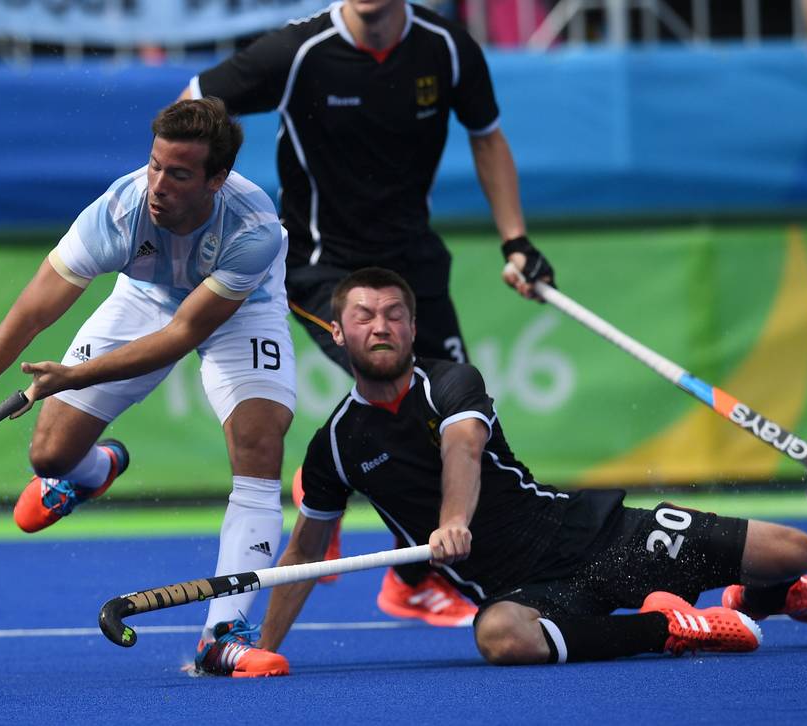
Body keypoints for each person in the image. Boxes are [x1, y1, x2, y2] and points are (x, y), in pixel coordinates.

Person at [255, 267, 807, 667]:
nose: (380, 326)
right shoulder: (336, 443)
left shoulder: (450, 382)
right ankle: (668, 628)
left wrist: (453, 520)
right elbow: (303, 556)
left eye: (393, 315)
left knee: (794, 551)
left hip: (588, 533)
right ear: (337, 333)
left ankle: (755, 600)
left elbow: (461, 449)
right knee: (498, 636)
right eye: (363, 316)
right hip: (525, 592)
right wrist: (264, 649)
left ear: (412, 328)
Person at [181, 0, 555, 626]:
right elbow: (197, 106)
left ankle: (408, 580)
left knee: (456, 419)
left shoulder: (448, 47)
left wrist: (515, 240)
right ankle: (321, 486)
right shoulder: (294, 51)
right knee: (400, 404)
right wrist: (215, 203)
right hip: (321, 268)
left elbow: (486, 137)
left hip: (415, 268)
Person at [0, 98, 294, 678]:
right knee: (49, 454)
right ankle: (93, 471)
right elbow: (24, 320)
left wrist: (72, 376)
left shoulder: (253, 228)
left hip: (239, 313)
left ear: (217, 179)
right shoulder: (117, 211)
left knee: (260, 442)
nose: (158, 185)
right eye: (155, 165)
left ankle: (223, 635)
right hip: (143, 299)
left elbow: (183, 335)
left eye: (179, 174)